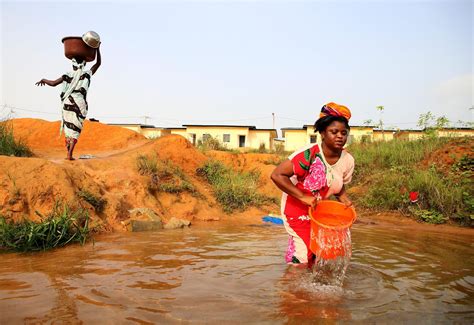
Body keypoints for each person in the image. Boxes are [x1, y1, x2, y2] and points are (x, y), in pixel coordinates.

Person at [271, 102, 355, 266]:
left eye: (344, 133)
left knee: (316, 254)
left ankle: (307, 290)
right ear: (323, 133)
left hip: (319, 212)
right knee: (301, 256)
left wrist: (344, 199)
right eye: (334, 132)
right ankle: (289, 289)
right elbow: (277, 175)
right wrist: (303, 197)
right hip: (295, 210)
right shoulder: (309, 154)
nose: (339, 136)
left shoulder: (348, 160)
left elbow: (338, 184)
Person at [36, 45, 101, 160]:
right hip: (79, 103)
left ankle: (69, 153)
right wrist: (97, 48)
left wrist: (43, 80)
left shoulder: (67, 75)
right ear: (84, 64)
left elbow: (53, 83)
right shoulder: (86, 74)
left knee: (68, 128)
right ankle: (69, 154)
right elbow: (98, 64)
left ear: (73, 64)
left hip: (67, 102)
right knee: (75, 129)